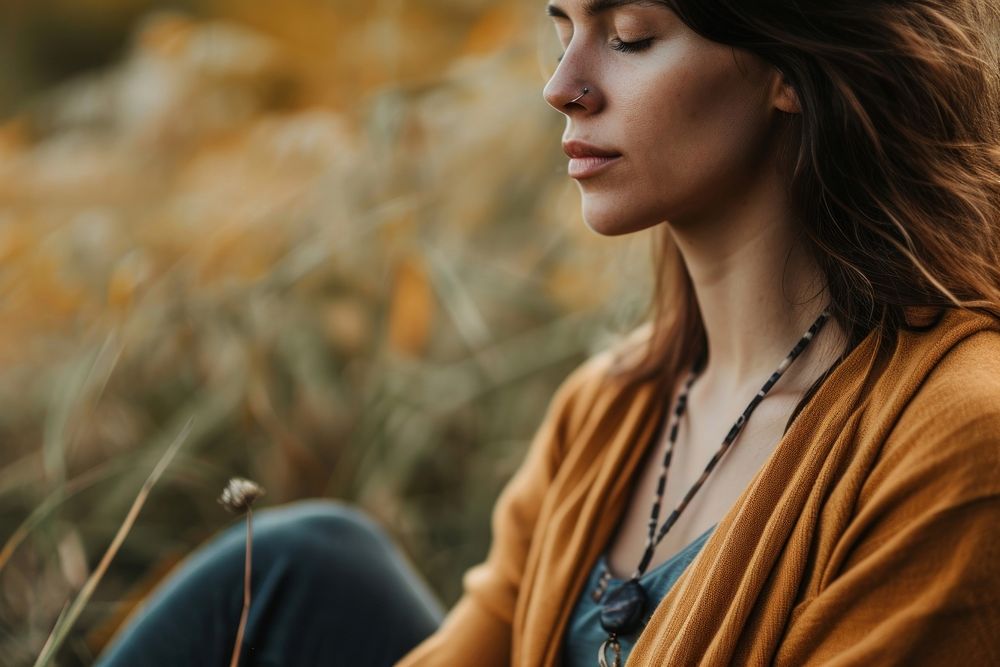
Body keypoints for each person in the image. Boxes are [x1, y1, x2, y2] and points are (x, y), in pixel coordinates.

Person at [96, 1, 1000, 665]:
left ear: (787, 69)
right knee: (302, 562)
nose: (562, 87)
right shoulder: (611, 406)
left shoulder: (958, 434)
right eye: (562, 28)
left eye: (631, 37)